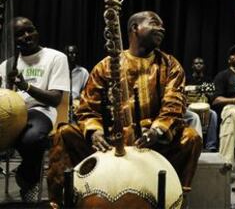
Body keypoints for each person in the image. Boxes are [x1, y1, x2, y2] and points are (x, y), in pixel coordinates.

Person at [47, 11, 202, 206]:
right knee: (64, 132)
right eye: (154, 23)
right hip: (110, 142)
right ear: (134, 29)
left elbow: (174, 104)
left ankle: (175, 199)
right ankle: (60, 202)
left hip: (153, 143)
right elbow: (87, 109)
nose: (162, 28)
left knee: (191, 138)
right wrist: (95, 133)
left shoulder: (170, 65)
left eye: (163, 25)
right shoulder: (105, 67)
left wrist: (157, 131)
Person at [0, 17, 70, 202]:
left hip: (41, 110)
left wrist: (26, 86)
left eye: (30, 30)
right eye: (20, 34)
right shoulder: (6, 66)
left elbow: (55, 99)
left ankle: (27, 179)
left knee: (31, 139)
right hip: (12, 112)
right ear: (13, 40)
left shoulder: (56, 58)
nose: (27, 36)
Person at [186, 57, 218, 151]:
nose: (198, 65)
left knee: (214, 114)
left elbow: (213, 96)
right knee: (191, 115)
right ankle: (193, 144)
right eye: (196, 63)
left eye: (201, 63)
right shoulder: (187, 79)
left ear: (204, 66)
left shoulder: (208, 80)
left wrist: (208, 93)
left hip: (204, 107)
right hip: (188, 107)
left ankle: (211, 145)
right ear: (192, 66)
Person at [64, 44, 89, 122]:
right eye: (70, 53)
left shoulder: (83, 72)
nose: (73, 55)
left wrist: (78, 103)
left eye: (75, 53)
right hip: (62, 105)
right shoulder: (59, 70)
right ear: (66, 55)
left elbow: (86, 94)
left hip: (77, 107)